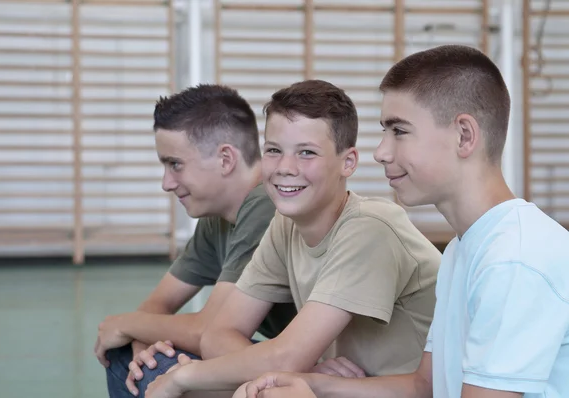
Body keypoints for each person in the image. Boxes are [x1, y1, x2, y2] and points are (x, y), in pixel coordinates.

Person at [237, 44, 569, 398]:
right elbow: (423, 386)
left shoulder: (514, 259)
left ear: (464, 136)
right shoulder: (464, 247)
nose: (381, 152)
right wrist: (307, 382)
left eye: (399, 131)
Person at [143, 79, 442, 398]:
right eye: (274, 150)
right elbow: (218, 335)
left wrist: (182, 377)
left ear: (348, 162)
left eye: (307, 153)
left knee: (176, 379)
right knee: (150, 367)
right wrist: (300, 371)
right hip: (332, 386)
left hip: (390, 391)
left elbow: (287, 356)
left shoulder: (371, 228)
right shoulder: (284, 224)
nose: (285, 167)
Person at [94, 84, 297, 398]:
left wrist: (126, 323)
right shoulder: (218, 216)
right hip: (277, 358)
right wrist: (139, 342)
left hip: (323, 370)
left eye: (175, 164)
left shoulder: (265, 205)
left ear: (226, 159)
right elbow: (159, 305)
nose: (166, 183)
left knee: (151, 371)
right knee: (134, 357)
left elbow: (210, 329)